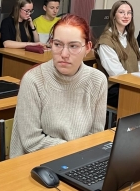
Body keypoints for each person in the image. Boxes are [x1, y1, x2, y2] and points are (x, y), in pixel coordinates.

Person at [10, 14, 106, 157]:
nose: (64, 54)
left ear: (88, 48)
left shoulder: (97, 80)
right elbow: (31, 142)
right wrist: (73, 150)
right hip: (37, 159)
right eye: (58, 44)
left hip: (79, 157)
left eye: (73, 46)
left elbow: (96, 136)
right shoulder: (33, 80)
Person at [96, 0, 140, 107]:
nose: (126, 16)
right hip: (114, 88)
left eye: (129, 13)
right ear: (113, 16)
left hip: (130, 83)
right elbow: (117, 74)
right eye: (121, 12)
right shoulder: (106, 41)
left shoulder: (130, 38)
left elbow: (138, 66)